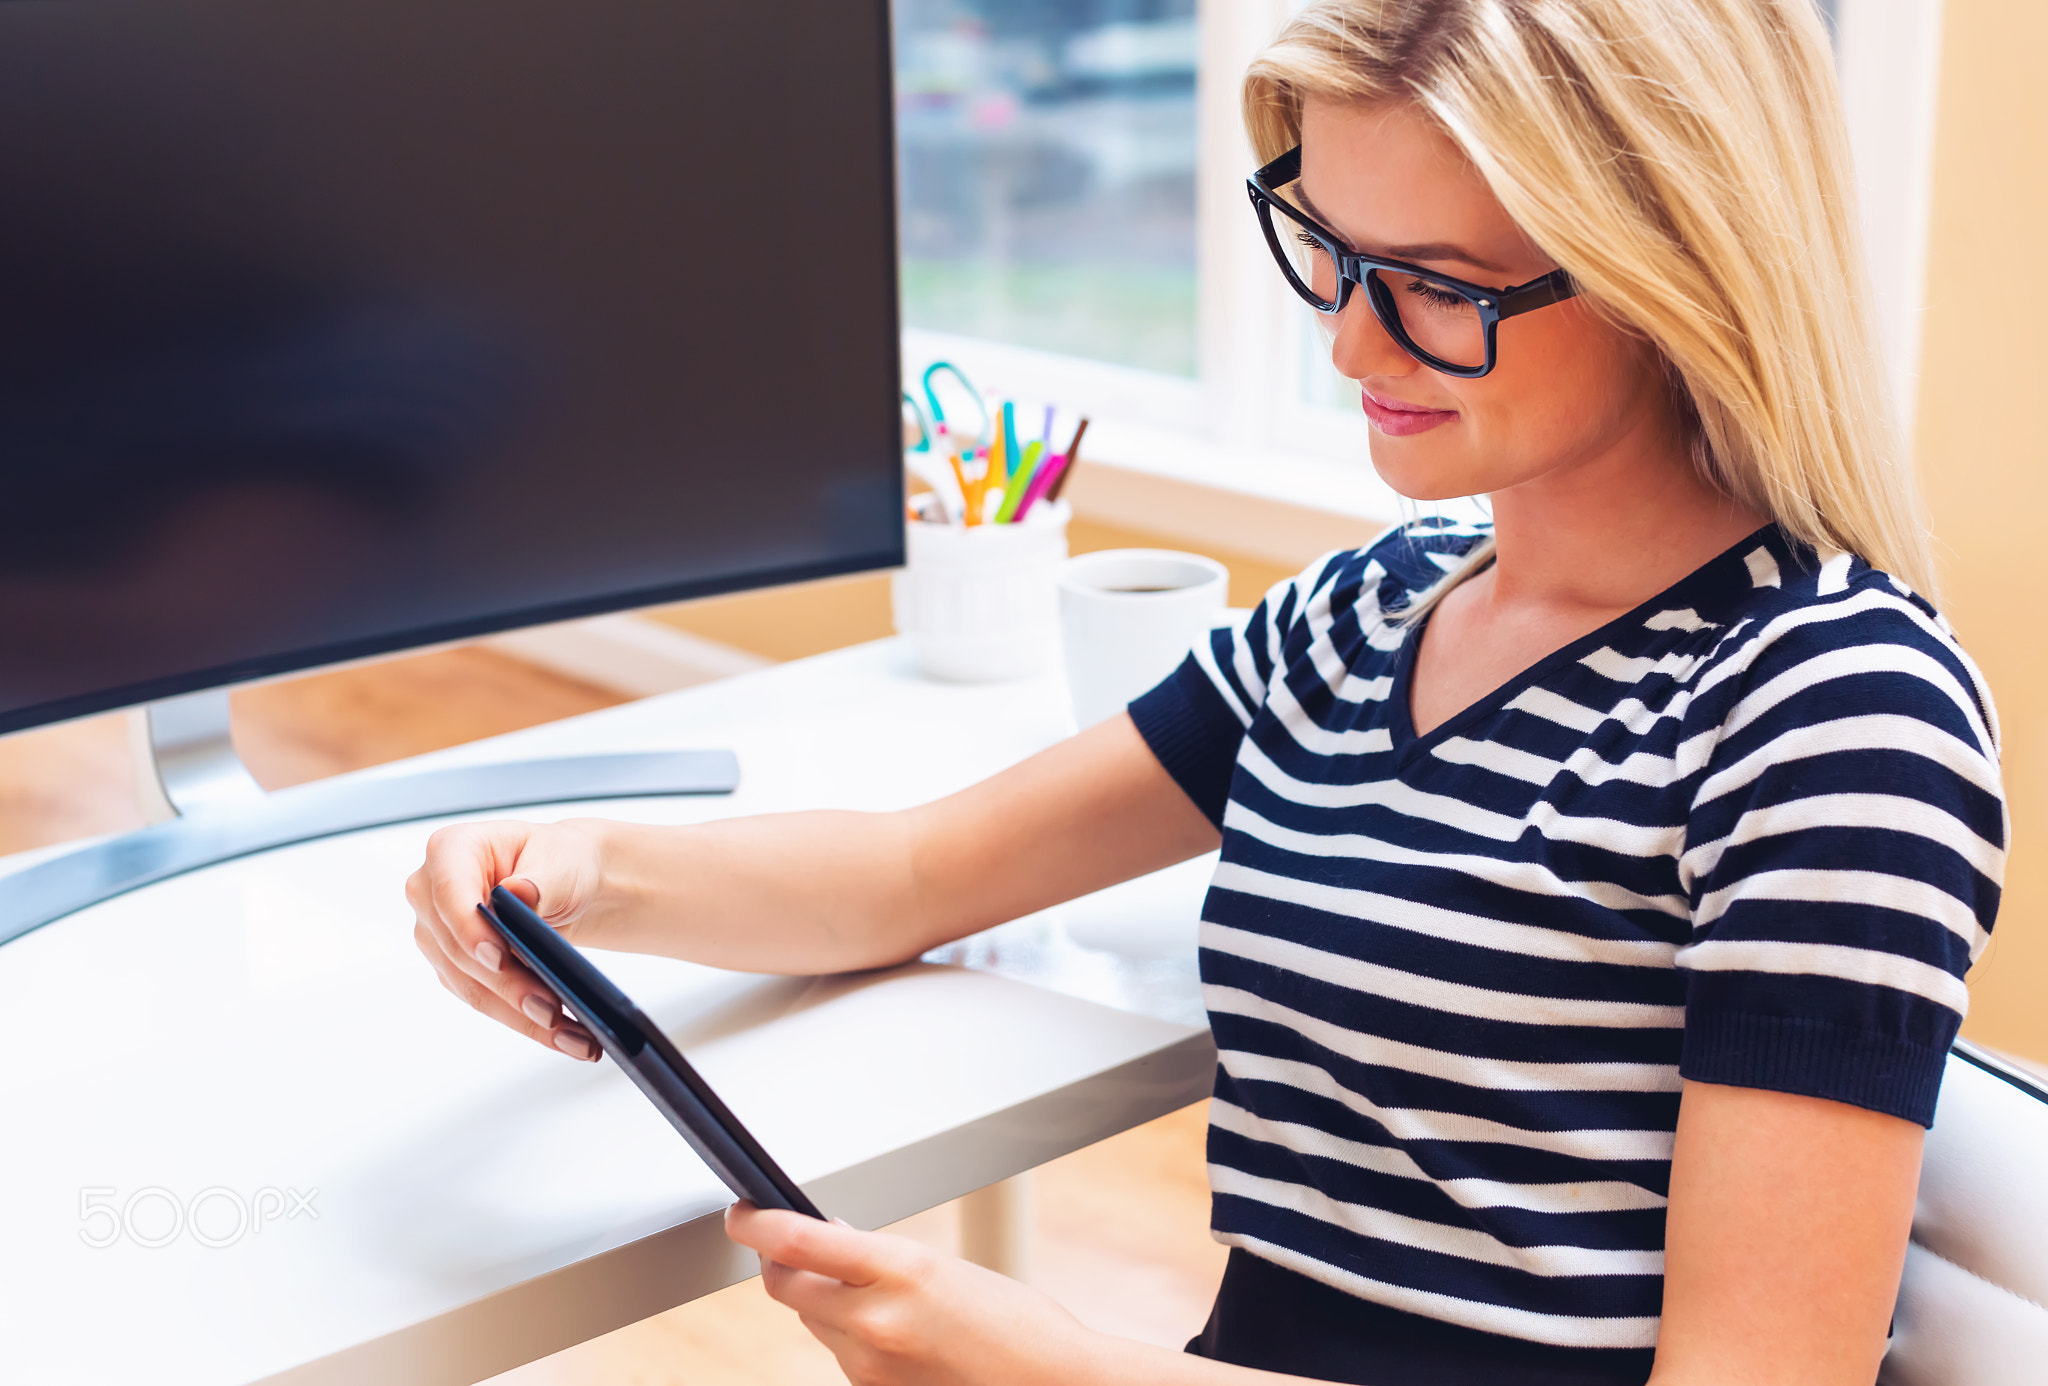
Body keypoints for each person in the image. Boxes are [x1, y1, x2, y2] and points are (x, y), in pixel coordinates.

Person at [408, 1, 2005, 1381]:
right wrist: (587, 873)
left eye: (1440, 285)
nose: (1347, 344)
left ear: (1676, 267)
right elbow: (914, 873)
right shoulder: (1370, 614)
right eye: (1329, 249)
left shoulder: (1831, 711)